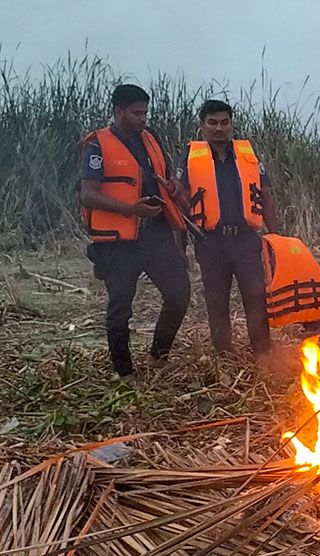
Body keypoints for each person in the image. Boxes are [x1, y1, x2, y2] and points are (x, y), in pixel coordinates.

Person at [79, 84, 190, 379]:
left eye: (145, 112)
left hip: (156, 233)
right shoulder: (97, 144)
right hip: (118, 243)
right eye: (136, 113)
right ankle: (125, 373)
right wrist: (130, 210)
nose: (143, 118)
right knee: (120, 310)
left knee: (179, 294)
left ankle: (158, 355)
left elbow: (162, 178)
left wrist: (173, 187)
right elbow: (88, 195)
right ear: (118, 111)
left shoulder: (150, 139)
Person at [169, 99, 279, 361]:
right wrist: (179, 247)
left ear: (231, 125)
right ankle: (224, 356)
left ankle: (263, 354)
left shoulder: (248, 157)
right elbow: (179, 206)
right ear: (202, 126)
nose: (219, 128)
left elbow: (266, 196)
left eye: (224, 123)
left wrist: (275, 238)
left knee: (256, 296)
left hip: (246, 240)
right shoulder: (190, 160)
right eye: (212, 123)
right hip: (211, 243)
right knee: (216, 301)